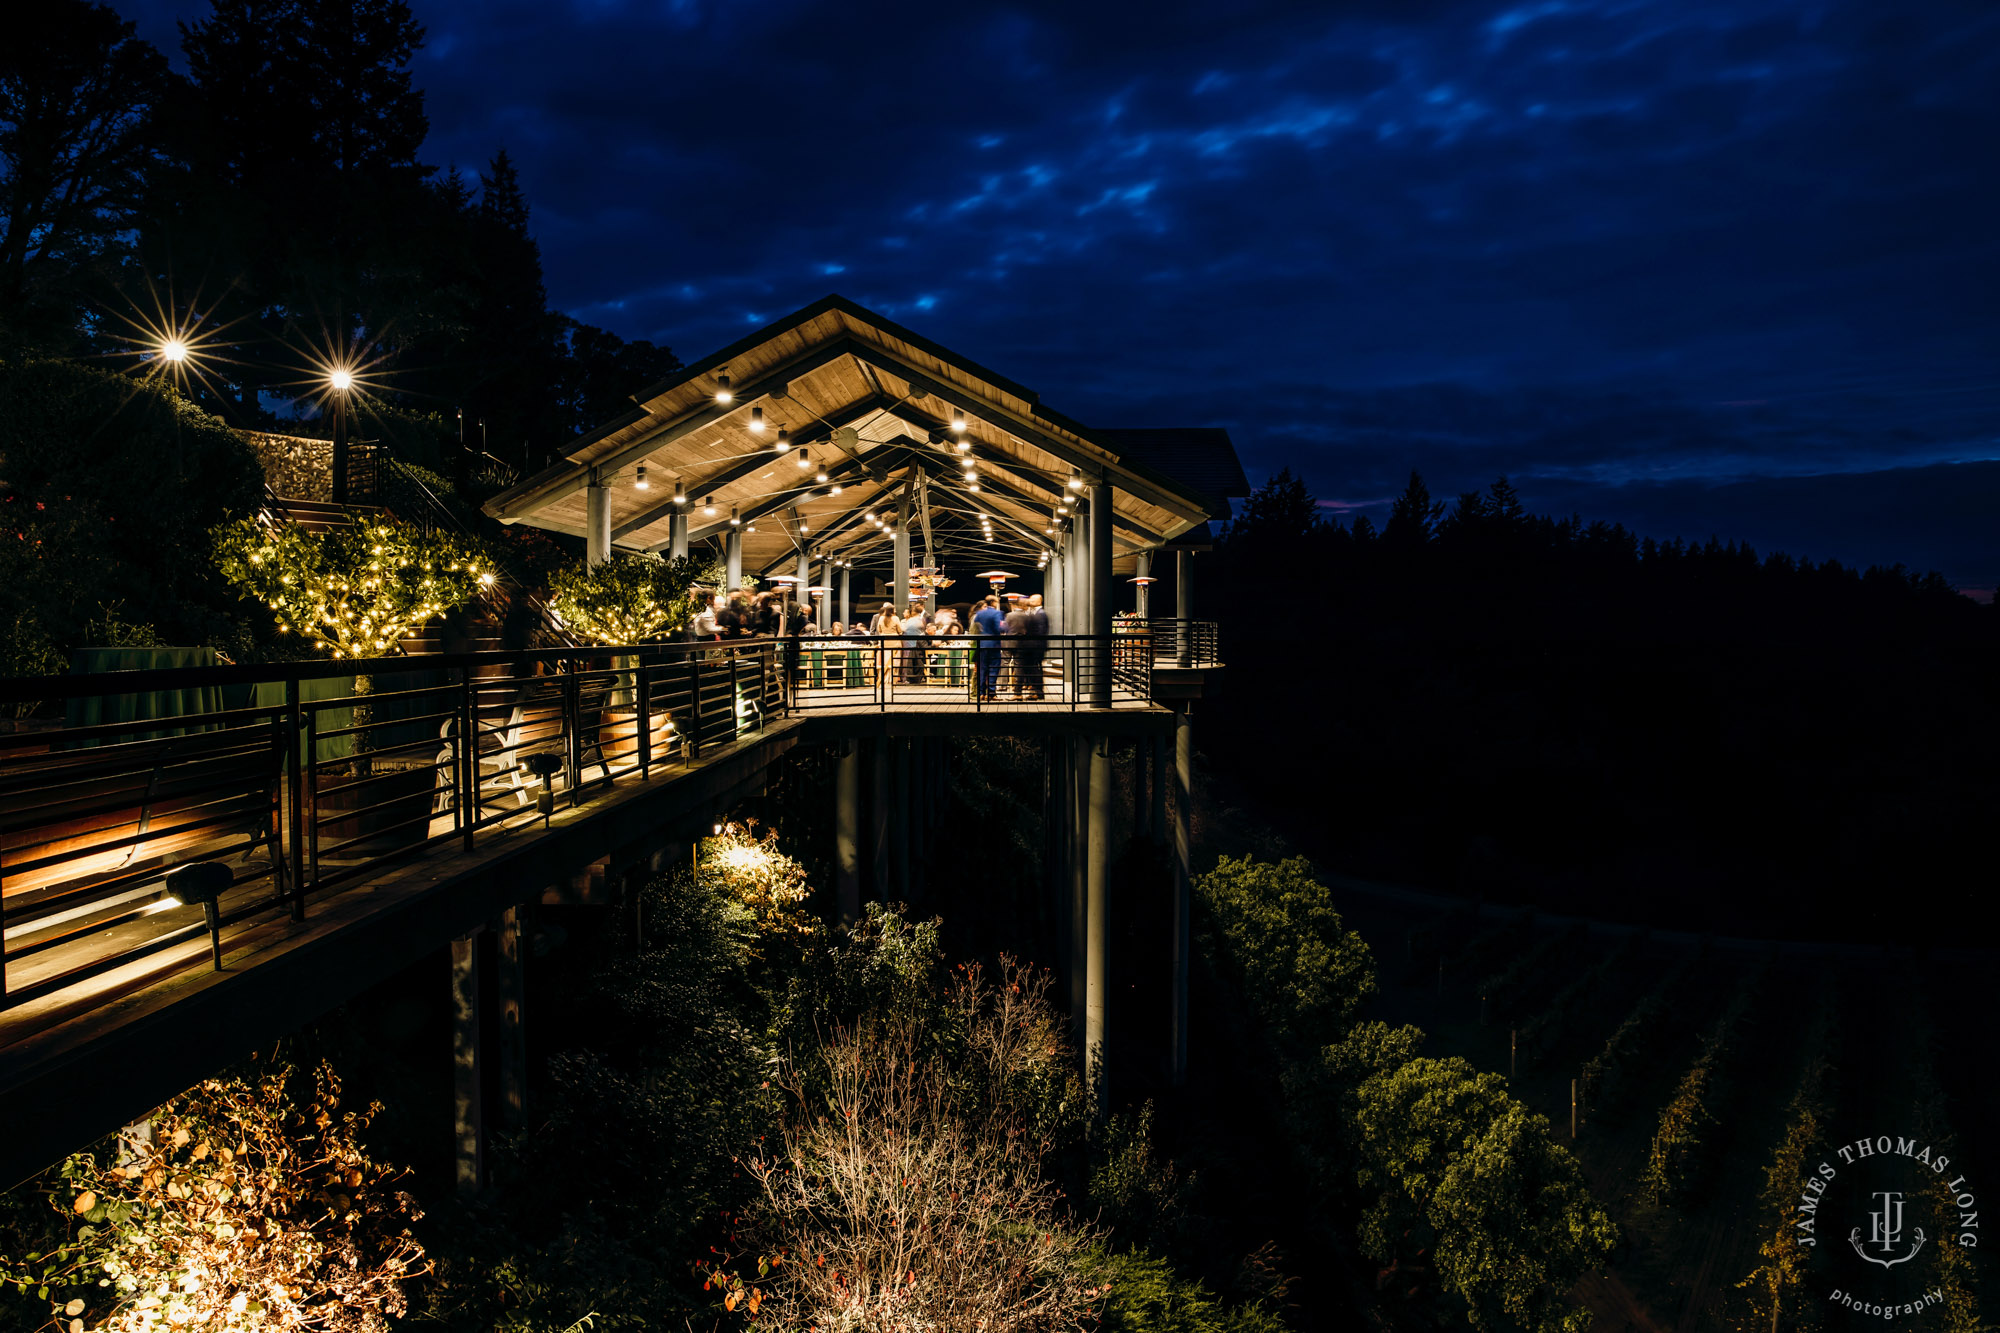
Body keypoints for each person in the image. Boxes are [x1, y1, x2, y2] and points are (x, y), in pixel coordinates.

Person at [971, 594, 1005, 700]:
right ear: (994, 603)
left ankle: (981, 693)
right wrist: (1005, 627)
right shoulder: (997, 613)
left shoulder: (979, 613)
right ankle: (991, 693)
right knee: (994, 669)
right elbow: (998, 628)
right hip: (993, 645)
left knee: (982, 669)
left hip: (982, 644)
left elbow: (976, 625)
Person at [1019, 593, 1049, 699]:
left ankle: (1038, 692)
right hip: (1034, 646)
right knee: (1033, 669)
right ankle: (1036, 691)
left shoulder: (1040, 614)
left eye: (1032, 599)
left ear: (1039, 601)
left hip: (1035, 647)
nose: (1030, 600)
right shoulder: (1037, 613)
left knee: (1034, 669)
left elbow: (1040, 632)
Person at [1001, 597, 1029, 697]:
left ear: (1014, 605)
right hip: (1020, 643)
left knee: (1005, 662)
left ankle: (1003, 685)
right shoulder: (1026, 616)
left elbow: (1004, 628)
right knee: (1018, 665)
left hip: (1008, 642)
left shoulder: (1009, 615)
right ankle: (1017, 686)